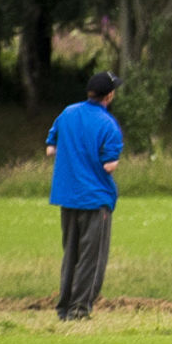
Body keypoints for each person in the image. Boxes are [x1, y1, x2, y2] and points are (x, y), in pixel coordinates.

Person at [47, 69, 123, 321]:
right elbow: (109, 165)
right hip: (95, 198)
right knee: (92, 258)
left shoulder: (68, 113)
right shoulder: (108, 124)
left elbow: (51, 148)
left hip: (68, 196)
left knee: (71, 254)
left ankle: (64, 308)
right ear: (109, 96)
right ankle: (79, 309)